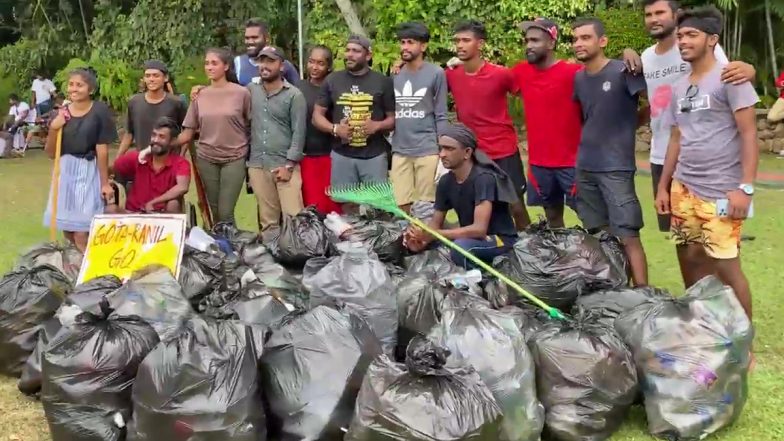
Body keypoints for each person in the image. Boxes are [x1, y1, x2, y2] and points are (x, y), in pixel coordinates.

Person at [655, 6, 758, 321]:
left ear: (712, 39)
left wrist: (745, 188)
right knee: (689, 255)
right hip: (682, 188)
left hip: (722, 191)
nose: (683, 41)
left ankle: (743, 340)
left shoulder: (732, 77)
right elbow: (676, 137)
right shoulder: (678, 85)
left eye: (691, 35)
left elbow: (750, 133)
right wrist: (663, 186)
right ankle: (700, 323)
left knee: (727, 264)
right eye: (681, 35)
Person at [640, 0, 755, 233]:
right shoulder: (646, 57)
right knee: (682, 240)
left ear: (675, 14)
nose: (654, 19)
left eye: (660, 12)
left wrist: (750, 69)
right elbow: (652, 104)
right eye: (649, 14)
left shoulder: (701, 42)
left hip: (716, 171)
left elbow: (732, 76)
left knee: (720, 246)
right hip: (664, 158)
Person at [572, 17, 649, 287]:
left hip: (616, 166)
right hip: (585, 166)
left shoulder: (623, 70)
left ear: (602, 41)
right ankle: (615, 288)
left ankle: (643, 294)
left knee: (628, 234)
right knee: (599, 235)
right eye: (575, 39)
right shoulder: (578, 79)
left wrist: (629, 125)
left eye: (585, 37)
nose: (578, 43)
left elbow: (653, 103)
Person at [445, 20, 531, 230]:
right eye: (457, 41)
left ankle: (530, 253)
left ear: (480, 44)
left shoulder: (501, 74)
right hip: (472, 154)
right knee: (476, 211)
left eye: (466, 40)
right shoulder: (450, 75)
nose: (460, 45)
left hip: (503, 151)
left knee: (516, 207)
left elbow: (529, 94)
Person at [404, 123, 519, 269]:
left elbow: (479, 229)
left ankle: (482, 282)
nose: (442, 154)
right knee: (444, 244)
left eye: (449, 149)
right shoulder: (446, 182)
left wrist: (434, 234)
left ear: (467, 152)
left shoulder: (483, 178)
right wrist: (421, 241)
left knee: (461, 248)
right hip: (470, 238)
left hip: (498, 239)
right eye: (441, 148)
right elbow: (435, 223)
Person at [312, 35, 395, 213]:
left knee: (378, 206)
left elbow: (394, 119)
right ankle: (352, 239)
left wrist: (377, 126)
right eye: (347, 50)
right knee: (347, 204)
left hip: (374, 155)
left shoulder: (383, 82)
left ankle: (376, 238)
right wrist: (335, 129)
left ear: (368, 55)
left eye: (356, 51)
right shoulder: (333, 80)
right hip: (342, 155)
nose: (349, 54)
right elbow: (317, 116)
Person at [511, 19, 581, 228]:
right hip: (539, 164)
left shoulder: (574, 73)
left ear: (551, 43)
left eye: (535, 40)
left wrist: (629, 54)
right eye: (526, 40)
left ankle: (602, 259)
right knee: (552, 219)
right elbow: (488, 76)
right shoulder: (520, 72)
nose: (529, 45)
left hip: (573, 163)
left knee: (592, 218)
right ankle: (561, 258)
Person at [170, 48, 251, 224]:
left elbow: (251, 123)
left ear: (226, 66)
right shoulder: (200, 96)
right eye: (207, 63)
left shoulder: (241, 93)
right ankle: (221, 247)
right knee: (214, 211)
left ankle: (231, 247)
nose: (209, 67)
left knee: (226, 211)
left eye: (214, 63)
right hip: (207, 158)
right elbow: (188, 132)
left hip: (234, 157)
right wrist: (164, 144)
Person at [43, 68, 116, 252]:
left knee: (82, 232)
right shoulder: (62, 114)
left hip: (88, 171)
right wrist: (53, 128)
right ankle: (75, 272)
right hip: (65, 172)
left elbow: (102, 149)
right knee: (68, 231)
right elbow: (51, 153)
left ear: (90, 89)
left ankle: (90, 274)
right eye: (71, 84)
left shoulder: (99, 111)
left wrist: (105, 183)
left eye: (79, 85)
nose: (74, 89)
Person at [247, 46, 307, 231]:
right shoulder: (250, 90)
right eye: (262, 61)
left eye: (270, 61)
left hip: (284, 165)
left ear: (282, 66)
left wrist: (289, 165)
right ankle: (269, 259)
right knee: (268, 223)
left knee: (294, 221)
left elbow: (299, 132)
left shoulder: (294, 95)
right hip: (258, 165)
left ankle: (298, 259)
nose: (265, 66)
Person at [390, 22, 448, 213]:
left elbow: (441, 113)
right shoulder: (395, 74)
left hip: (427, 148)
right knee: (401, 205)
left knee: (426, 205)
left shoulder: (436, 73)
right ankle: (406, 241)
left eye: (410, 43)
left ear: (423, 46)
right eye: (402, 42)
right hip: (399, 148)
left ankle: (427, 241)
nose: (405, 47)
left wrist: (443, 147)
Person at [109, 117, 190, 213]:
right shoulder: (137, 157)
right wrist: (105, 183)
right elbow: (112, 168)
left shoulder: (180, 163)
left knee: (173, 204)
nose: (155, 140)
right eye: (154, 135)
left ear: (172, 141)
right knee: (110, 209)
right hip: (133, 214)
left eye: (162, 137)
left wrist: (153, 202)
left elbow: (182, 187)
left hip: (162, 216)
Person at [297, 45, 342, 214]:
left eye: (320, 63)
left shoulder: (335, 87)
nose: (314, 67)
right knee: (312, 205)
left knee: (332, 206)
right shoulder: (298, 88)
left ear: (329, 66)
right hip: (306, 156)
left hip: (330, 155)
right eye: (311, 62)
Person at [117, 60, 187, 157]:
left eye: (156, 75)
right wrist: (118, 158)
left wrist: (181, 156)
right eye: (148, 76)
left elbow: (186, 133)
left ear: (165, 78)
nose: (151, 79)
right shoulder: (135, 102)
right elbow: (129, 134)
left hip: (169, 161)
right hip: (143, 159)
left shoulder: (176, 103)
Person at [236, 19, 300, 86]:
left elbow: (298, 90)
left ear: (267, 38)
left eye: (254, 37)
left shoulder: (282, 64)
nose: (250, 42)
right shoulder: (238, 63)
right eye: (247, 38)